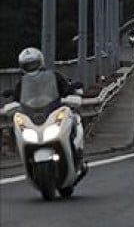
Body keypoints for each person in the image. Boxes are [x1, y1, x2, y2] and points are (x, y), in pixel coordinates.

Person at [12, 48, 86, 176]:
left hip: (53, 112)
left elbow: (66, 89)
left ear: (40, 62)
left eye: (33, 64)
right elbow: (17, 99)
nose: (31, 68)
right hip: (33, 115)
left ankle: (76, 154)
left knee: (71, 119)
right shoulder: (22, 83)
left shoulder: (53, 76)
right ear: (22, 67)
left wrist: (71, 89)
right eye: (28, 65)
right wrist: (12, 100)